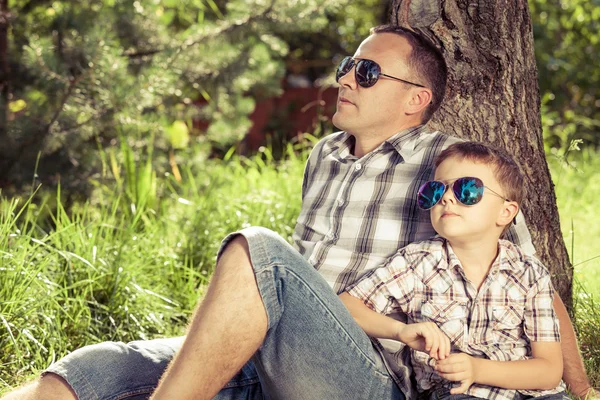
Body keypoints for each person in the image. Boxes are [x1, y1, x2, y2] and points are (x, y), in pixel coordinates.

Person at [2, 25, 596, 400]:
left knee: (257, 250)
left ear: (415, 101)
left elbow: (530, 282)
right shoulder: (324, 156)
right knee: (82, 375)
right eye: (346, 66)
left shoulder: (448, 168)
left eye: (366, 72)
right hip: (273, 355)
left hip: (367, 374)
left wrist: (582, 386)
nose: (346, 79)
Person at [340, 141, 567, 400]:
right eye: (435, 191)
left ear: (505, 212)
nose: (447, 198)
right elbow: (346, 306)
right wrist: (400, 331)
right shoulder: (417, 262)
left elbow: (549, 370)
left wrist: (478, 368)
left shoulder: (529, 272)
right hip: (459, 394)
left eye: (467, 189)